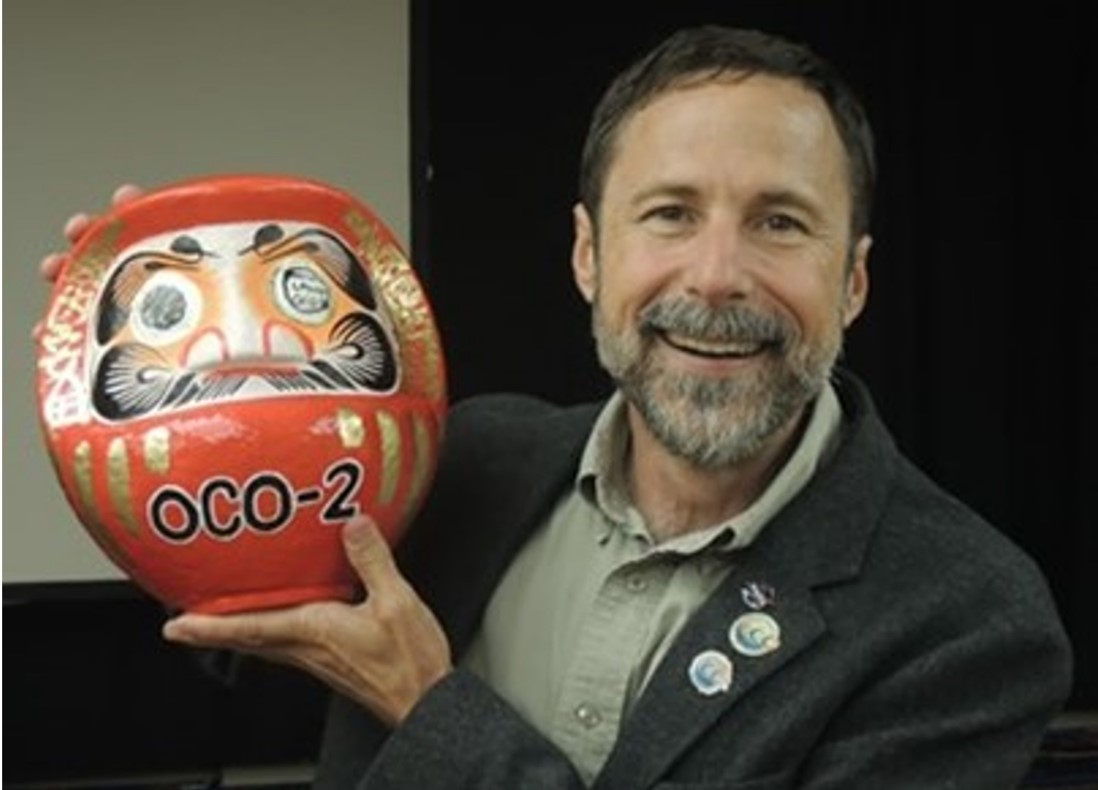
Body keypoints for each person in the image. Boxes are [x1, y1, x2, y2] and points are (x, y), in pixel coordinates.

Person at [43, 24, 1073, 790]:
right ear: (589, 254)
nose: (716, 276)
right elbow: (248, 574)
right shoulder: (460, 463)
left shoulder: (966, 617)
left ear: (853, 281)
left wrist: (430, 710)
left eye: (780, 222)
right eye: (668, 214)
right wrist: (153, 355)